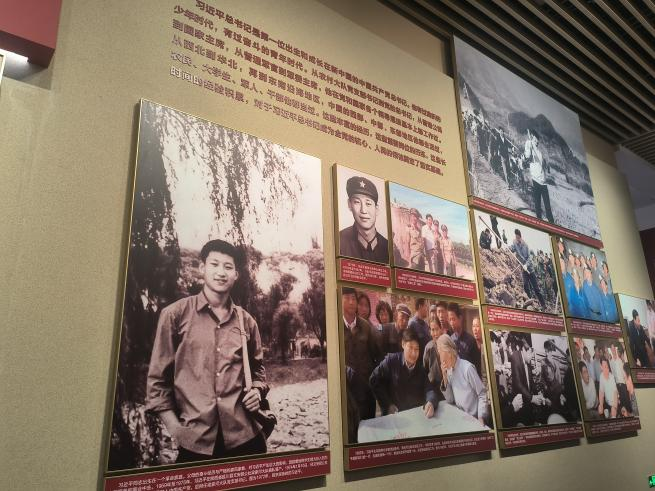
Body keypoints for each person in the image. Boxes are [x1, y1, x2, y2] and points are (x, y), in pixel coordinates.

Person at [147, 239, 268, 462]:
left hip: (246, 437)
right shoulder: (174, 315)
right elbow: (157, 381)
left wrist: (258, 391)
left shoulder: (247, 321)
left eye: (228, 267)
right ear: (202, 268)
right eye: (214, 264)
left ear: (236, 275)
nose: (221, 272)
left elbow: (259, 370)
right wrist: (175, 430)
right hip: (195, 442)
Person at [369, 330, 437, 417]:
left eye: (416, 349)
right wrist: (387, 404)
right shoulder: (391, 361)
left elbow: (429, 389)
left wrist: (431, 402)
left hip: (413, 416)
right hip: (393, 416)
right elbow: (373, 379)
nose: (413, 353)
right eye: (410, 347)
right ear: (403, 344)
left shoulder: (420, 369)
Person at [342, 287, 382, 420]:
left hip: (366, 390)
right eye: (347, 298)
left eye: (353, 299)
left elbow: (376, 354)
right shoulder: (336, 326)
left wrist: (373, 379)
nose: (351, 302)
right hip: (348, 392)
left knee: (369, 425)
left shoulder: (365, 326)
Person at [437, 334, 488, 424]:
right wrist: (444, 376)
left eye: (440, 352)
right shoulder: (449, 371)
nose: (440, 359)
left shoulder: (467, 368)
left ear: (449, 353)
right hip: (461, 419)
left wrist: (481, 417)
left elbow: (482, 394)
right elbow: (450, 400)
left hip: (474, 419)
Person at [339, 175, 389, 263]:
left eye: (368, 204)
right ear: (349, 205)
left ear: (376, 209)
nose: (363, 210)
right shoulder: (339, 241)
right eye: (357, 202)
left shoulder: (387, 247)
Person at [508, 337, 544, 426]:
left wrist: (538, 394)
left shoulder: (527, 360)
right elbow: (518, 383)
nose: (532, 356)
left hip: (527, 401)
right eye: (530, 353)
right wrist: (532, 398)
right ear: (523, 349)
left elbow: (530, 382)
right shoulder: (515, 357)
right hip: (519, 402)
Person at [523, 130, 554, 222]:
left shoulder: (539, 152)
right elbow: (527, 156)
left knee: (547, 205)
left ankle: (551, 222)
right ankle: (539, 221)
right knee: (538, 204)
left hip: (543, 181)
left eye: (537, 141)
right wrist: (529, 145)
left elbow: (542, 165)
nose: (537, 142)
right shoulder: (529, 145)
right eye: (535, 140)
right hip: (535, 179)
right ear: (532, 138)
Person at [510, 228, 545, 309]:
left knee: (536, 289)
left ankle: (543, 305)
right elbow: (513, 248)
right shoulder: (515, 242)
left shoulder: (525, 245)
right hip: (523, 270)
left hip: (530, 269)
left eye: (518, 238)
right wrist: (508, 247)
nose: (517, 239)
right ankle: (529, 302)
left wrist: (526, 265)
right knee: (525, 285)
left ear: (520, 237)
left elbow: (530, 257)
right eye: (516, 237)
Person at [448, 303, 481, 375]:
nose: (451, 323)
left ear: (460, 318)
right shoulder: (450, 340)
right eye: (450, 320)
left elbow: (478, 367)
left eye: (453, 319)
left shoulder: (471, 341)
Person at [423, 317, 444, 391]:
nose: (435, 333)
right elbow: (425, 369)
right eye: (432, 330)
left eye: (437, 329)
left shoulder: (446, 345)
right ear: (430, 331)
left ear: (441, 329)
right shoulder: (429, 347)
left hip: (447, 384)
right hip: (433, 386)